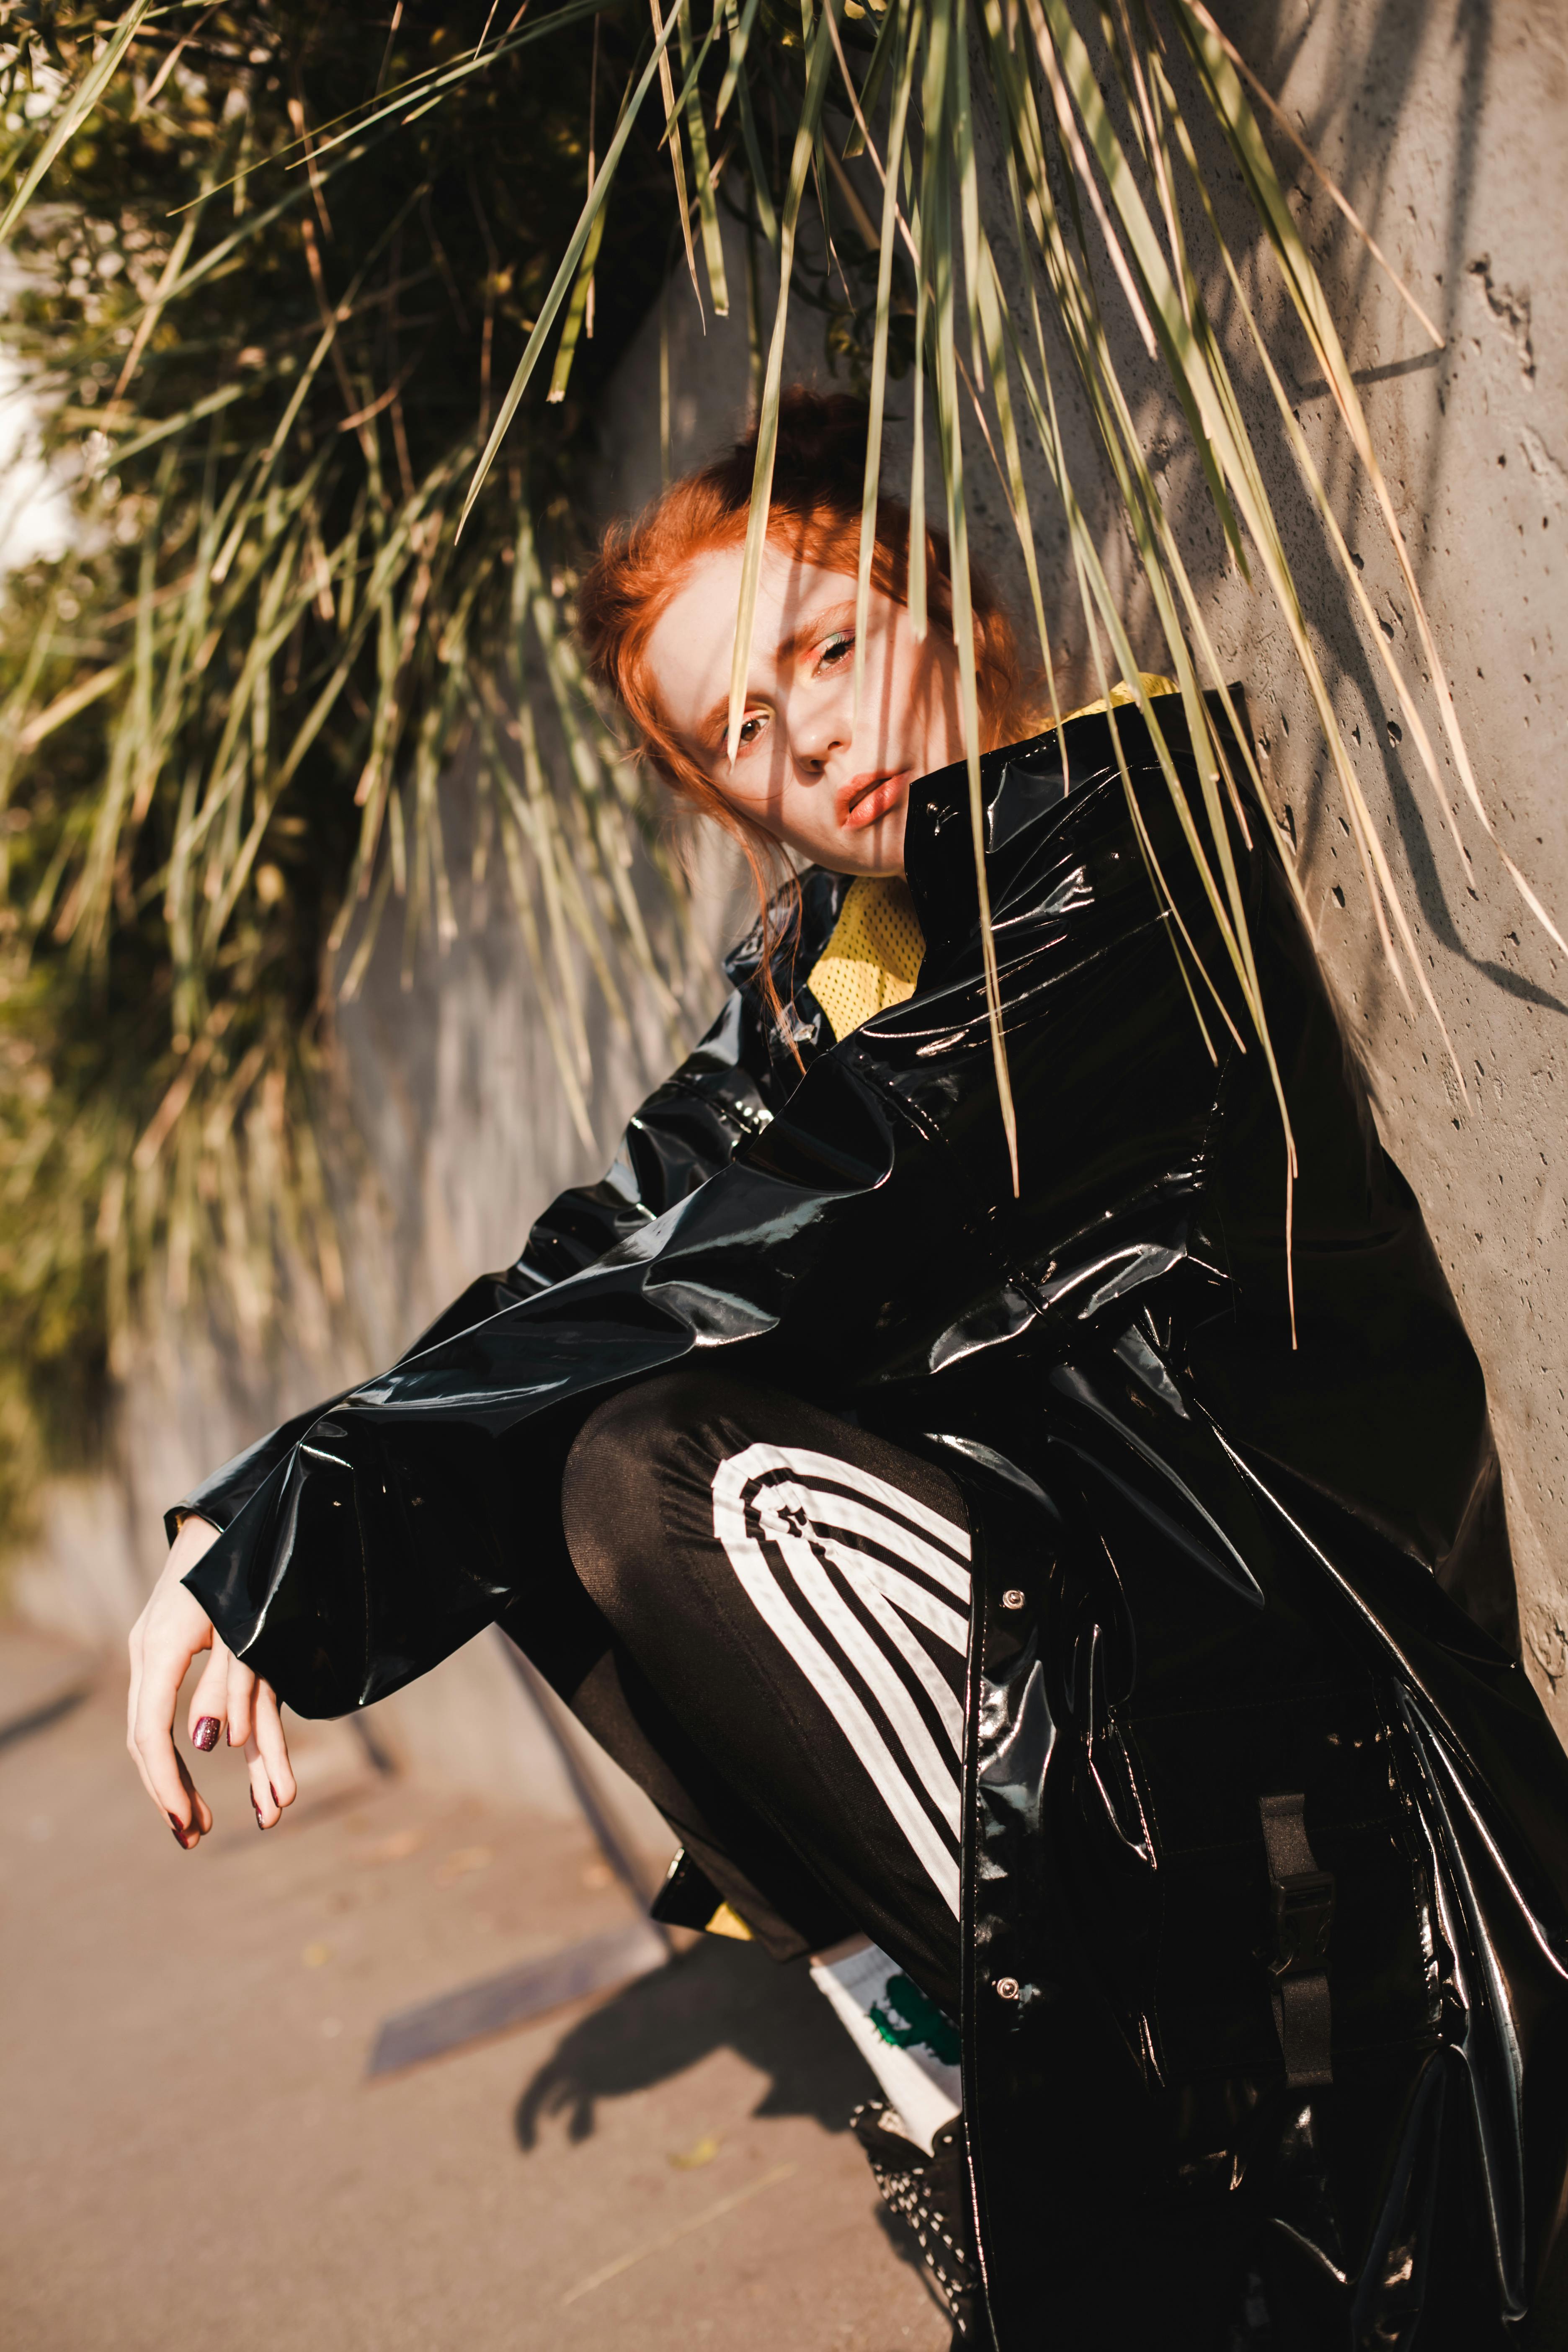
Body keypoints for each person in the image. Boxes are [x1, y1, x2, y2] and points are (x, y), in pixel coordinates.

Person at [126, 391, 1568, 2349]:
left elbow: (795, 1224)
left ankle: (1142, 2099)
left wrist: (316, 1518)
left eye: (825, 644)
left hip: (1288, 1701)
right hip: (1107, 1654)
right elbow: (603, 1251)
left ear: (947, 613)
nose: (808, 733)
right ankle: (951, 2055)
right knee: (552, 1468)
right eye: (743, 726)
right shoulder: (829, 980)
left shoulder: (1106, 839)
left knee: (639, 1460)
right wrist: (251, 1516)